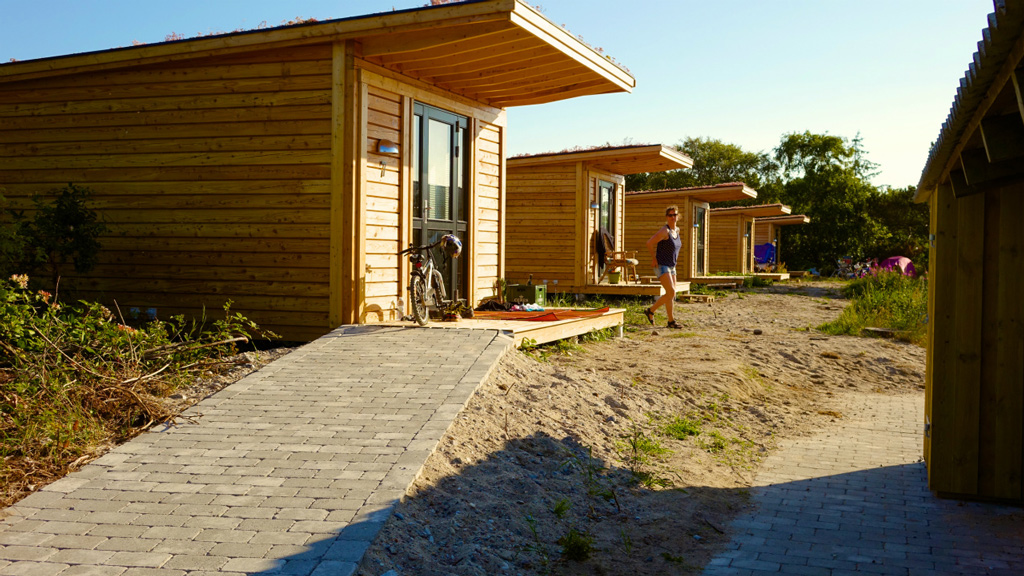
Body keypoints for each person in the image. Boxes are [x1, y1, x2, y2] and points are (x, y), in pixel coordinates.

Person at [644, 205, 682, 328]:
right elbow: (649, 243)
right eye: (670, 215)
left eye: (675, 215)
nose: (673, 217)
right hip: (662, 264)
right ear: (667, 217)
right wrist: (654, 258)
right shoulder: (664, 231)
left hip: (672, 265)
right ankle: (651, 310)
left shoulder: (677, 231)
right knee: (671, 292)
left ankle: (671, 321)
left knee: (672, 294)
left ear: (678, 216)